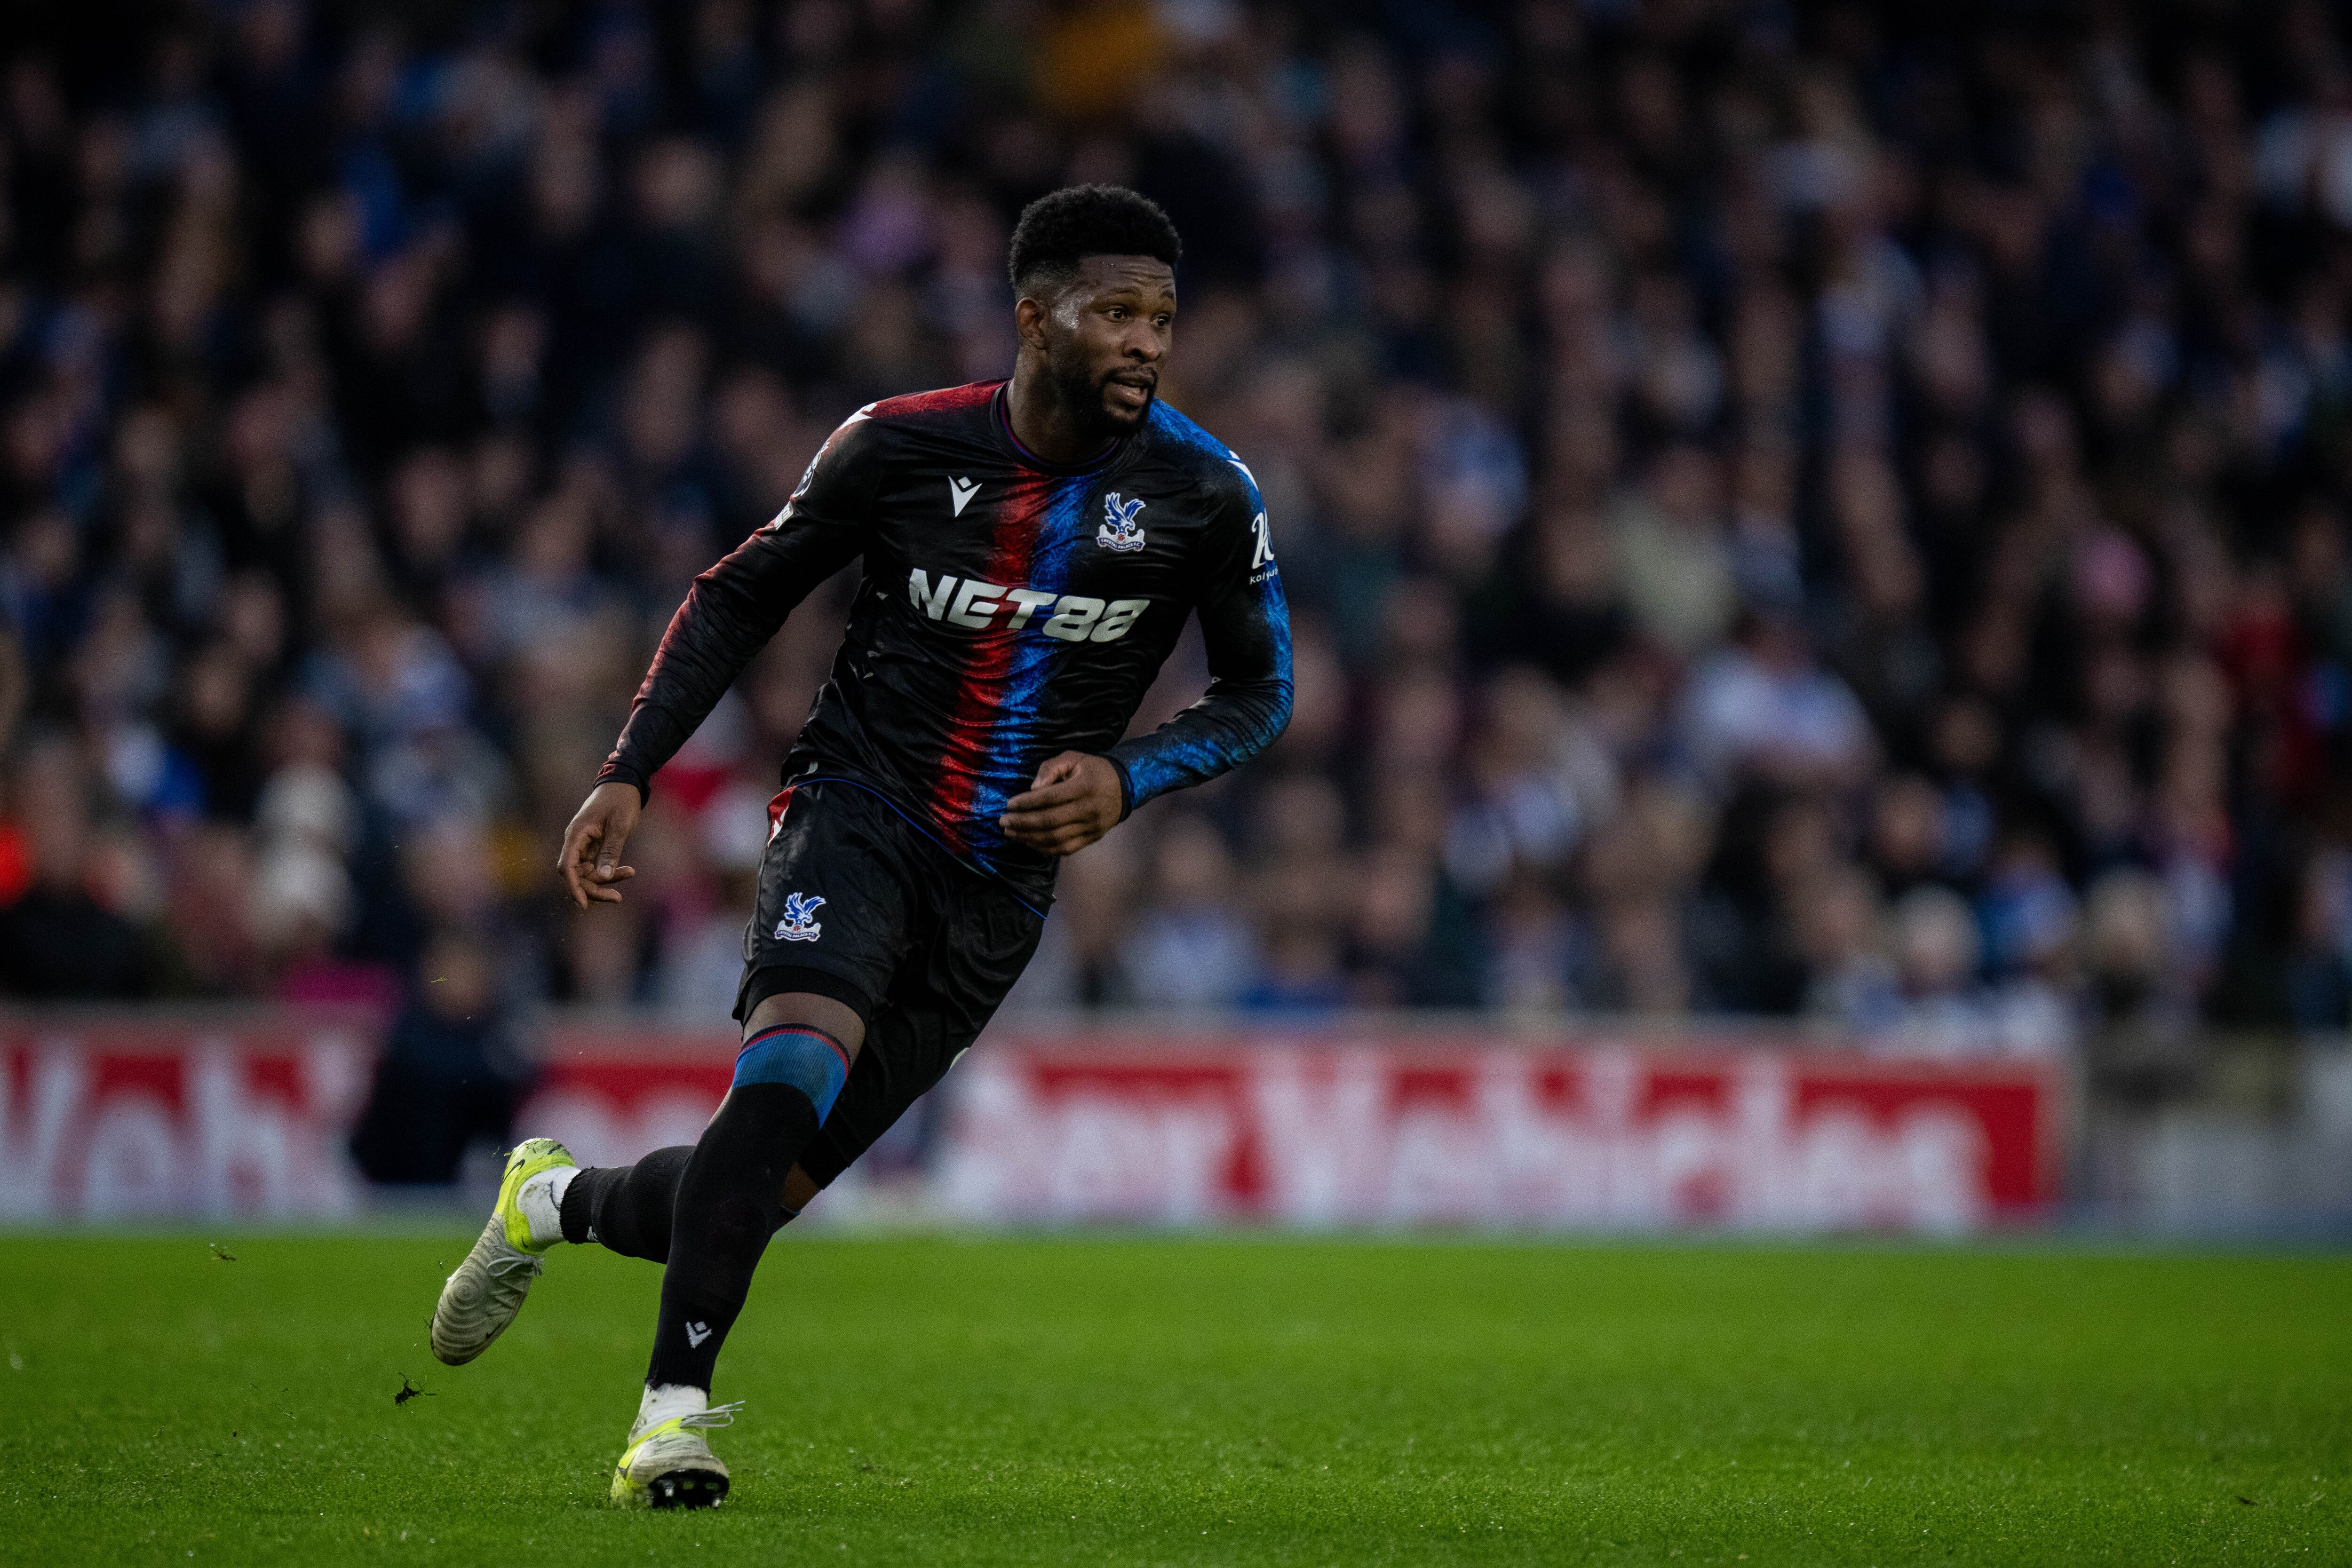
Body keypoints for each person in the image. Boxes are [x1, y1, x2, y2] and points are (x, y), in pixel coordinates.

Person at [424, 186, 1292, 1508]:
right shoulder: (896, 449)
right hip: (861, 808)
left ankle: (549, 1203)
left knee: (749, 1189)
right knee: (784, 1074)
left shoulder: (1203, 493)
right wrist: (629, 772)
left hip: (1002, 886)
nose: (1145, 342)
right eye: (1116, 311)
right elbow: (737, 597)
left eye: (1162, 317)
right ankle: (670, 1424)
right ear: (1034, 316)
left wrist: (1129, 777)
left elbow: (1258, 694)